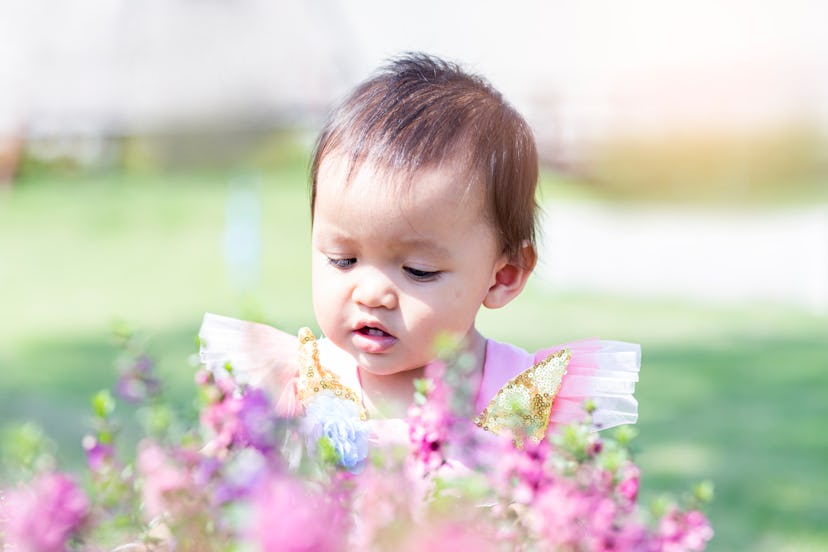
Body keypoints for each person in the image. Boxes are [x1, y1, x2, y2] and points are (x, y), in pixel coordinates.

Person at [199, 53, 638, 457]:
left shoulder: (525, 400)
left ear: (503, 276)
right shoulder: (294, 386)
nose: (371, 293)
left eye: (417, 270)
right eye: (342, 260)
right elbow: (216, 496)